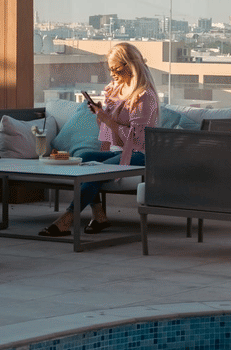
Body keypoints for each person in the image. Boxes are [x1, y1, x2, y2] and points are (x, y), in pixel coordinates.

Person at [39, 42, 159, 237]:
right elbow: (108, 133)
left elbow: (137, 140)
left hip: (140, 155)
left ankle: (67, 218)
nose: (112, 73)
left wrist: (109, 120)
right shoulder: (115, 89)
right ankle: (99, 215)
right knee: (85, 157)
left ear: (129, 66)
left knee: (94, 170)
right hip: (117, 151)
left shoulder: (144, 97)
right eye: (110, 69)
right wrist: (101, 116)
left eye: (116, 69)